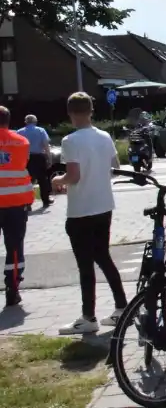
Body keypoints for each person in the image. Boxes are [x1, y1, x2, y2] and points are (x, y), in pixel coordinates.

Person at [52, 92, 126, 334]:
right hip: (104, 205)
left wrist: (57, 180)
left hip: (81, 209)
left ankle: (88, 316)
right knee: (104, 257)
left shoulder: (70, 141)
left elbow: (73, 176)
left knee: (85, 265)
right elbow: (115, 167)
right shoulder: (104, 136)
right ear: (91, 110)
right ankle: (121, 308)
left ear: (71, 113)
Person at [0, 106, 35, 307]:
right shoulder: (21, 141)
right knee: (14, 247)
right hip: (16, 202)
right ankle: (12, 288)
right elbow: (23, 163)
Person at [17, 114, 52, 210]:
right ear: (35, 121)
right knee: (43, 180)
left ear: (25, 122)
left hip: (26, 158)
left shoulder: (20, 132)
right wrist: (49, 158)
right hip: (39, 156)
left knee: (27, 181)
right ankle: (45, 200)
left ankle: (27, 202)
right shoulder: (41, 131)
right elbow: (46, 145)